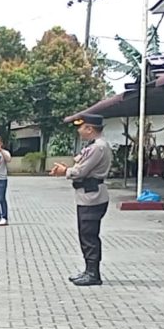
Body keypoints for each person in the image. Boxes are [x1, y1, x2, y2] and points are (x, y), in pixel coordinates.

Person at [51, 114, 112, 287]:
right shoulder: (94, 146)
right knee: (85, 234)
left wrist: (66, 171)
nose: (79, 130)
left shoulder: (97, 147)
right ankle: (88, 270)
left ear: (90, 129)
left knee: (89, 235)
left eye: (81, 127)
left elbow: (81, 171)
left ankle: (93, 273)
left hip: (92, 196)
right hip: (88, 195)